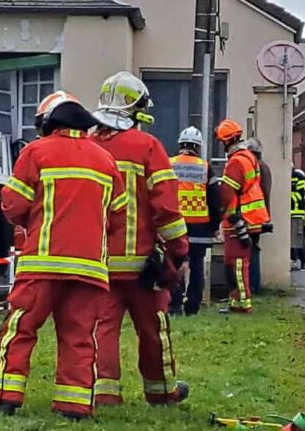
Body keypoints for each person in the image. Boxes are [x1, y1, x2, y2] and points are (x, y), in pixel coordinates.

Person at [0, 91, 127, 420]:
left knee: (20, 329)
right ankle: (74, 405)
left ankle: (6, 396)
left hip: (42, 264)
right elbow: (118, 217)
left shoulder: (37, 152)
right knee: (79, 337)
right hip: (89, 269)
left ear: (47, 123)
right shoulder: (106, 161)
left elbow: (13, 205)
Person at [91, 71, 190, 406]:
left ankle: (104, 393)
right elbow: (166, 209)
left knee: (102, 329)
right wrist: (178, 252)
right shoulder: (148, 147)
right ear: (135, 109)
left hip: (98, 262)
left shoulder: (88, 147)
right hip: (143, 264)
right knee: (153, 329)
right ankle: (161, 391)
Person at [216, 119, 270, 313]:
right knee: (238, 262)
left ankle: (242, 302)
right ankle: (236, 301)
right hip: (250, 218)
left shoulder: (236, 162)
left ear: (227, 141)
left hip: (239, 219)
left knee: (237, 263)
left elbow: (227, 193)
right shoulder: (248, 157)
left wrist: (218, 212)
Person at [168, 127, 221, 315]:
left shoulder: (169, 164)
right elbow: (214, 200)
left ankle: (174, 304)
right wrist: (215, 226)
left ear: (180, 145)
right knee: (197, 266)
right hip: (200, 227)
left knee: (175, 264)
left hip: (175, 225)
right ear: (198, 147)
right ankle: (193, 306)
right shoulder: (205, 167)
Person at [246, 138, 271, 294]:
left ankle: (253, 286)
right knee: (253, 249)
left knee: (250, 251)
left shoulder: (256, 167)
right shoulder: (264, 167)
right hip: (259, 216)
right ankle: (254, 286)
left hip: (252, 217)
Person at [291, 167, 305, 269]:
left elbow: (301, 196)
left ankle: (302, 260)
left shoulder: (298, 177)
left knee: (297, 241)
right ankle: (298, 260)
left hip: (297, 214)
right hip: (293, 214)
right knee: (294, 240)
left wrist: (289, 197)